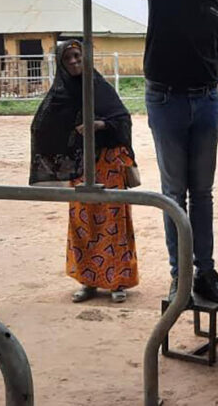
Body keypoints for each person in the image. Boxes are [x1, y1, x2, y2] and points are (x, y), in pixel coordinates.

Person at [115, 0, 218, 304]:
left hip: (207, 101)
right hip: (167, 99)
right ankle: (180, 277)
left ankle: (204, 271)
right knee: (174, 193)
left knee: (202, 193)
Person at [29, 40, 138, 304]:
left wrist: (99, 124)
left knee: (113, 224)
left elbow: (122, 119)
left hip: (108, 164)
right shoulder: (60, 95)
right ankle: (88, 281)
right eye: (69, 59)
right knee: (83, 224)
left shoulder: (99, 87)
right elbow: (41, 128)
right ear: (61, 64)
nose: (75, 62)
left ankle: (117, 282)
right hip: (80, 167)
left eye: (78, 56)